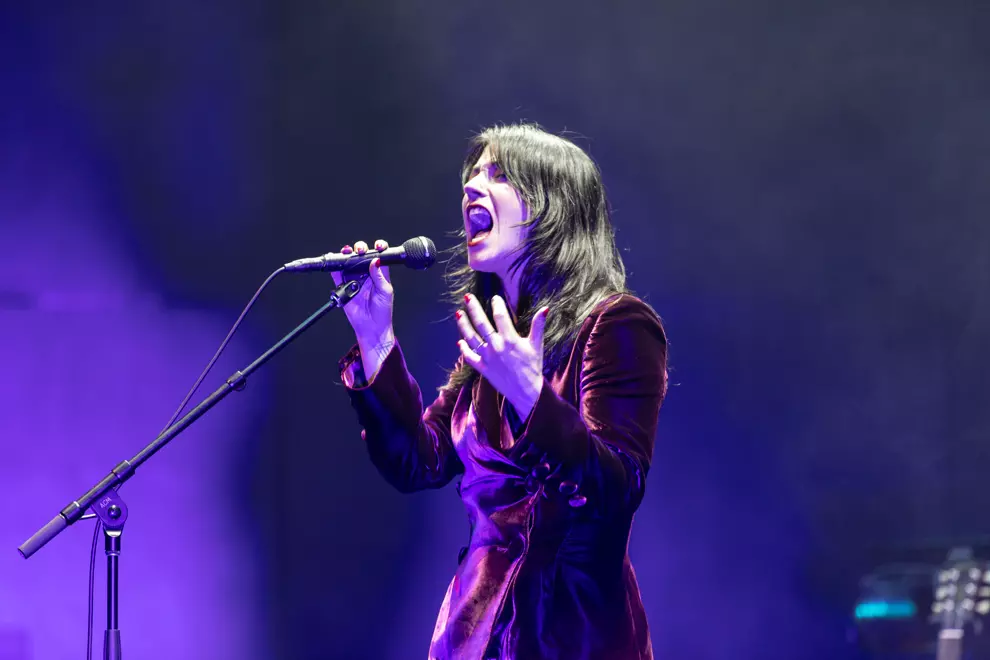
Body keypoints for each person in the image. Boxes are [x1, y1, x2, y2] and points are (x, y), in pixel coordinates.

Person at [333, 123, 668, 660]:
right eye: (470, 175)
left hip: (571, 634)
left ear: (552, 206)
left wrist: (534, 400)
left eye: (497, 175)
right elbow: (420, 461)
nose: (470, 187)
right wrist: (376, 339)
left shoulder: (617, 325)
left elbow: (617, 488)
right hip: (476, 632)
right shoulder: (493, 344)